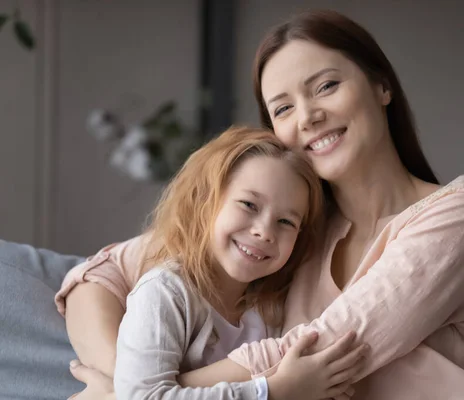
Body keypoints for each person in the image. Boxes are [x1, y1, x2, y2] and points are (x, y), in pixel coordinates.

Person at [58, 9, 464, 400]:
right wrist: (128, 380)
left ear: (381, 86)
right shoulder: (289, 230)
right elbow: (101, 274)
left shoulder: (459, 215)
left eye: (326, 86)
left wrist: (141, 394)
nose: (308, 116)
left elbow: (323, 350)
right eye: (283, 109)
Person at [62, 126, 367, 400]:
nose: (264, 231)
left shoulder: (271, 311)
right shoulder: (165, 293)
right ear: (206, 201)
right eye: (249, 205)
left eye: (286, 221)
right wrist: (272, 392)